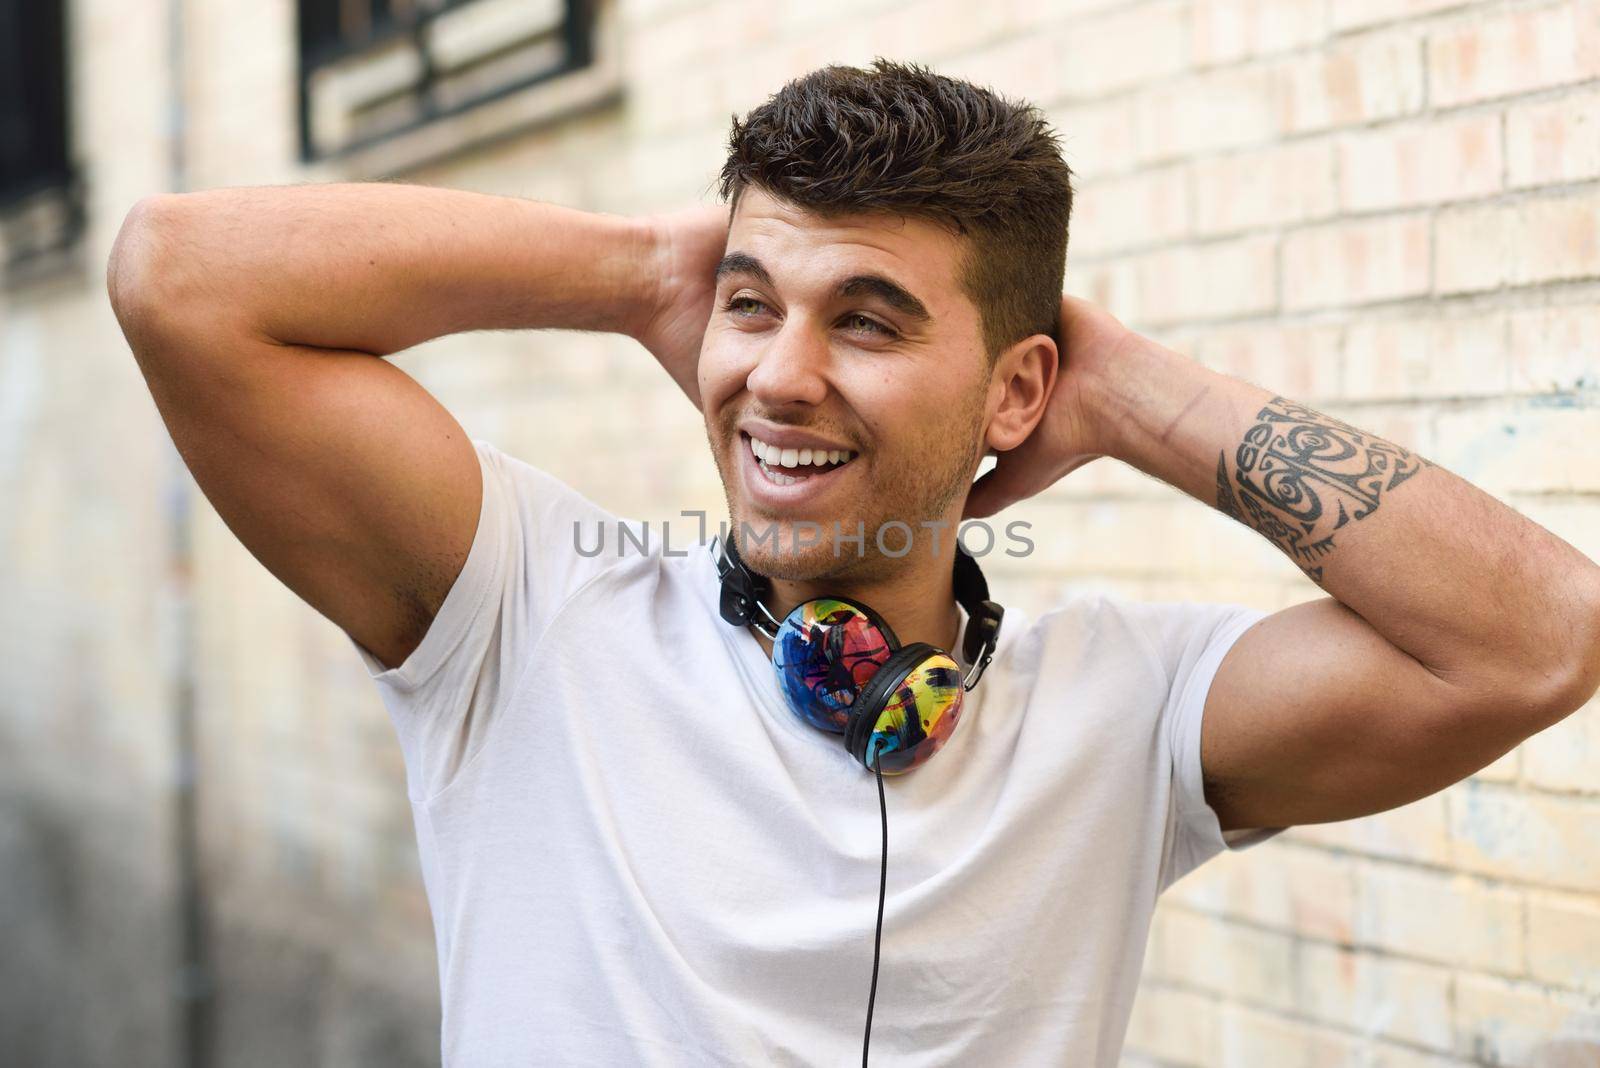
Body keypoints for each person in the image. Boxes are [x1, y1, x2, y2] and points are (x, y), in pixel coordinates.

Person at [107, 57, 1600, 1067]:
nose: (777, 377)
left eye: (869, 321)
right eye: (752, 306)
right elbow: (180, 276)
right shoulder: (524, 610)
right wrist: (645, 275)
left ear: (1016, 392)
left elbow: (1537, 634)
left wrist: (1136, 396)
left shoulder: (1133, 709)